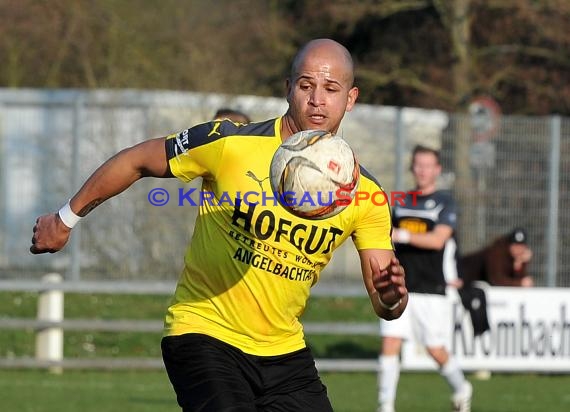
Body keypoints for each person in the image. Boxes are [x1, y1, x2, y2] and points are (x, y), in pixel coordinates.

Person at [30, 38, 408, 412]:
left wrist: (392, 296)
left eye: (331, 88)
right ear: (288, 89)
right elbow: (137, 160)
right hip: (204, 333)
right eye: (306, 85)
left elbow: (384, 303)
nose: (317, 99)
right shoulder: (230, 141)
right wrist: (65, 219)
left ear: (351, 98)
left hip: (284, 353)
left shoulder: (367, 194)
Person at [378, 145, 472, 412]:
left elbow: (438, 239)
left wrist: (403, 235)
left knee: (435, 349)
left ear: (437, 170)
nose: (422, 170)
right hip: (400, 287)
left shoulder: (445, 202)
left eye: (428, 165)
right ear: (412, 167)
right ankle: (385, 406)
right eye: (418, 164)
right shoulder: (401, 201)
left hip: (431, 289)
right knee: (390, 342)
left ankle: (461, 388)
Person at [458, 227, 534, 287]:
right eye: (515, 246)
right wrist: (519, 283)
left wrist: (520, 265)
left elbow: (517, 283)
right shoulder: (497, 252)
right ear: (509, 244)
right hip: (461, 273)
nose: (518, 250)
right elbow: (496, 280)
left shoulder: (517, 258)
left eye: (521, 246)